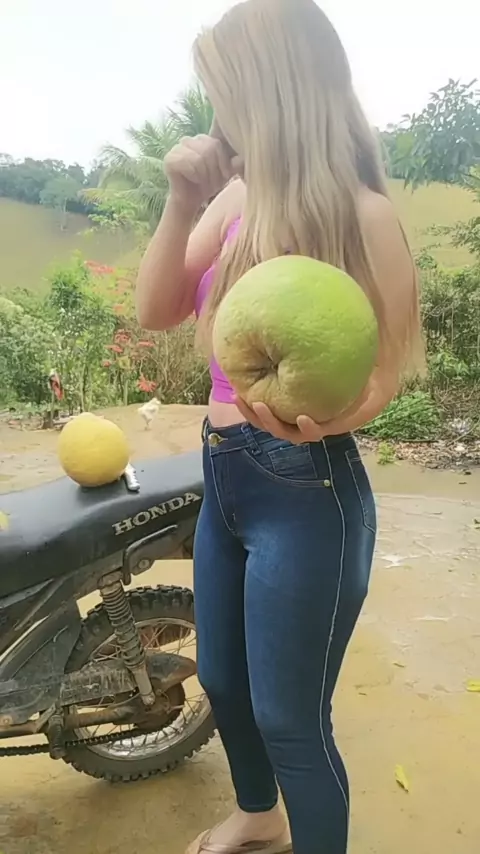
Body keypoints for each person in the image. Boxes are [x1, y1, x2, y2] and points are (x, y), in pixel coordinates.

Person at [136, 2, 423, 852]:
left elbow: (384, 378)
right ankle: (259, 815)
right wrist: (180, 199)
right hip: (224, 470)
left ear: (268, 96)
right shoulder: (231, 197)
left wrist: (326, 418)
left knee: (290, 716)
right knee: (224, 681)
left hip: (308, 485)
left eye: (223, 95)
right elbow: (155, 310)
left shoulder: (363, 215)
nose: (215, 118)